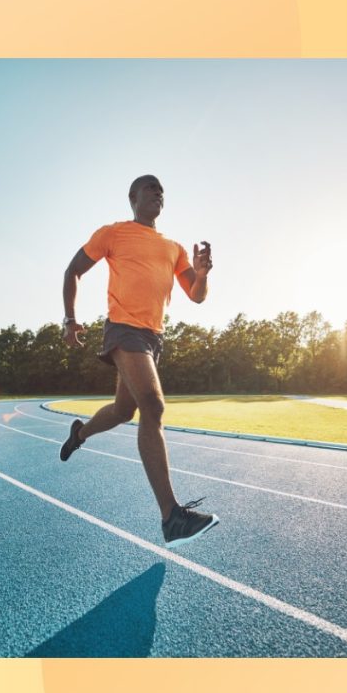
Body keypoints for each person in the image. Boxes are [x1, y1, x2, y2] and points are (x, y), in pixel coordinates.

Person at [59, 174, 219, 548]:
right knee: (153, 405)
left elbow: (197, 296)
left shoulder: (174, 248)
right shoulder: (113, 233)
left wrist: (202, 274)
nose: (158, 192)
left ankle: (79, 434)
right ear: (133, 198)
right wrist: (69, 318)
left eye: (161, 190)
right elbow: (73, 271)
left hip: (152, 338)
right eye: (151, 187)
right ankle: (171, 517)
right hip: (123, 328)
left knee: (123, 411)